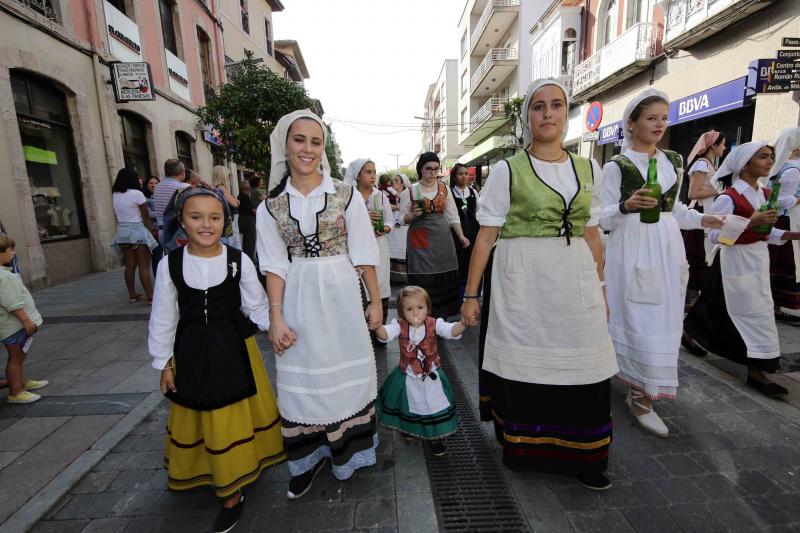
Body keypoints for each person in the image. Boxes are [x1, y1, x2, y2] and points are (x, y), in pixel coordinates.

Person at [461, 78, 618, 491]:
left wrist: (601, 289)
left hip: (575, 278)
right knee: (526, 364)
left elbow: (591, 234)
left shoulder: (589, 167)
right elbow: (486, 236)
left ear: (567, 113)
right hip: (524, 280)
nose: (547, 113)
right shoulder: (506, 170)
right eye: (538, 106)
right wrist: (471, 296)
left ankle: (586, 454)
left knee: (585, 364)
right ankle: (525, 448)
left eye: (556, 105)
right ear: (527, 116)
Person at [255, 110, 382, 499]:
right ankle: (307, 461)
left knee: (342, 378)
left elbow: (363, 252)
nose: (307, 149)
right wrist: (275, 317)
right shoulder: (270, 206)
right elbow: (274, 265)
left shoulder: (345, 194)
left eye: (315, 141)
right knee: (302, 378)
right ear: (284, 145)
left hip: (342, 296)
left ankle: (345, 455)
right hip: (298, 298)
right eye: (299, 140)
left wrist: (376, 301)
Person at [149, 187, 284, 533]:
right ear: (181, 221)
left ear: (226, 220)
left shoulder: (239, 259)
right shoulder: (170, 264)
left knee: (229, 417)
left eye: (215, 217)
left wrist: (276, 328)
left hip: (233, 351)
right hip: (191, 351)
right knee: (200, 415)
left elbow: (255, 304)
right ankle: (209, 472)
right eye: (196, 217)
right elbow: (163, 316)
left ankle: (232, 491)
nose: (206, 224)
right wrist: (163, 362)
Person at [596, 89, 723, 438]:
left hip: (667, 247)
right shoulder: (616, 166)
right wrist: (625, 207)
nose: (659, 124)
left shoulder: (673, 161)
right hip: (631, 247)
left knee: (665, 314)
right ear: (632, 123)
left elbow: (674, 209)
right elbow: (600, 219)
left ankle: (644, 386)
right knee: (635, 313)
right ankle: (638, 393)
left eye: (664, 118)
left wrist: (702, 221)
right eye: (652, 118)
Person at [684, 142, 800, 397]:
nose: (770, 162)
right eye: (763, 157)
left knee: (723, 309)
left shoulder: (764, 194)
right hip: (733, 262)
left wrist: (794, 235)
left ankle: (691, 331)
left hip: (757, 261)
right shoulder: (729, 198)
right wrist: (750, 221)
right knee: (748, 314)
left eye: (771, 157)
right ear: (745, 163)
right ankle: (757, 372)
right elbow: (715, 235)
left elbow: (767, 233)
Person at [376, 286, 464, 456]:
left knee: (432, 405)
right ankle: (411, 429)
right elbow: (385, 335)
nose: (415, 313)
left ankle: (435, 438)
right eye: (409, 309)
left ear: (428, 309)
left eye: (420, 308)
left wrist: (463, 323)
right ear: (401, 312)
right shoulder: (399, 326)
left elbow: (450, 330)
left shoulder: (433, 324)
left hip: (431, 376)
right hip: (409, 376)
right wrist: (377, 325)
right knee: (411, 405)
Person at [400, 153, 470, 318]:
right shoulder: (410, 191)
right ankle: (422, 318)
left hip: (442, 237)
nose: (432, 172)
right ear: (421, 170)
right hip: (419, 238)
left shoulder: (444, 188)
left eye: (436, 169)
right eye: (428, 169)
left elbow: (453, 215)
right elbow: (401, 220)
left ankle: (441, 319)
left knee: (444, 275)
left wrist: (460, 236)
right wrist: (411, 216)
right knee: (423, 276)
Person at [345, 158, 394, 342]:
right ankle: (361, 336)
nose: (373, 176)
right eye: (368, 172)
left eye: (374, 172)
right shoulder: (348, 197)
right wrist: (363, 218)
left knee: (380, 286)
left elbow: (390, 220)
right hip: (355, 250)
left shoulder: (380, 196)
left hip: (379, 246)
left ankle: (380, 333)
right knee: (359, 288)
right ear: (357, 175)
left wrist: (386, 228)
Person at [0, 233, 47, 404]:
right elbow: (12, 304)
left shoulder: (5, 273)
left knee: (19, 356)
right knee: (16, 358)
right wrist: (27, 321)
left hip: (12, 325)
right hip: (14, 326)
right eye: (9, 250)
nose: (13, 253)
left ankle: (19, 382)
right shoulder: (3, 277)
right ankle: (16, 391)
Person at [682, 131, 726, 305]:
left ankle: (694, 296)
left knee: (702, 254)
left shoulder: (709, 164)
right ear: (713, 146)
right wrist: (719, 190)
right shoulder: (702, 164)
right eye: (722, 144)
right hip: (700, 210)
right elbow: (693, 193)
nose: (724, 148)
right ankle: (690, 298)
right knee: (697, 254)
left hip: (707, 210)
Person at [111, 168, 158, 304]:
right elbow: (146, 217)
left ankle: (132, 295)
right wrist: (151, 234)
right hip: (137, 230)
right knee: (144, 265)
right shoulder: (137, 194)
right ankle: (150, 296)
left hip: (122, 232)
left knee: (129, 265)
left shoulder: (115, 194)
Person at [767, 127, 800, 320]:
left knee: (777, 266)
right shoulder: (794, 169)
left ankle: (775, 306)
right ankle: (774, 306)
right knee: (781, 266)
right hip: (786, 221)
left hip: (783, 220)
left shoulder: (783, 166)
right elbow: (782, 200)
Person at [449, 164, 479, 296]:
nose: (464, 176)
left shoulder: (473, 193)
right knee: (459, 265)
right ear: (454, 177)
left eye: (466, 173)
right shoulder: (449, 192)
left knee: (473, 263)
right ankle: (459, 295)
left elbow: (478, 212)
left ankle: (473, 294)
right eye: (460, 174)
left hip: (473, 232)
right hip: (455, 235)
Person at [154, 159, 189, 239]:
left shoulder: (157, 187)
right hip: (177, 232)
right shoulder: (184, 187)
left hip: (161, 231)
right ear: (181, 171)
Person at [212, 165, 241, 250]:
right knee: (232, 243)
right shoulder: (221, 188)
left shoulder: (215, 187)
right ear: (223, 176)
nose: (229, 178)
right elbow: (235, 203)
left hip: (226, 219)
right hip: (230, 221)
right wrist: (236, 201)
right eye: (227, 176)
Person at [142, 177, 163, 277]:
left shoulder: (162, 196)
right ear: (146, 185)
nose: (154, 185)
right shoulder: (143, 198)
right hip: (154, 231)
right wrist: (164, 212)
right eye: (151, 183)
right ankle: (158, 280)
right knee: (157, 257)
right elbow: (149, 214)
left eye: (156, 183)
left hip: (165, 229)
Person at [237, 180, 257, 261]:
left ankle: (247, 258)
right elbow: (252, 210)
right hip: (247, 220)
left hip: (243, 219)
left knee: (246, 242)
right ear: (247, 188)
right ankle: (250, 259)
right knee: (250, 241)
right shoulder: (244, 197)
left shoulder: (240, 196)